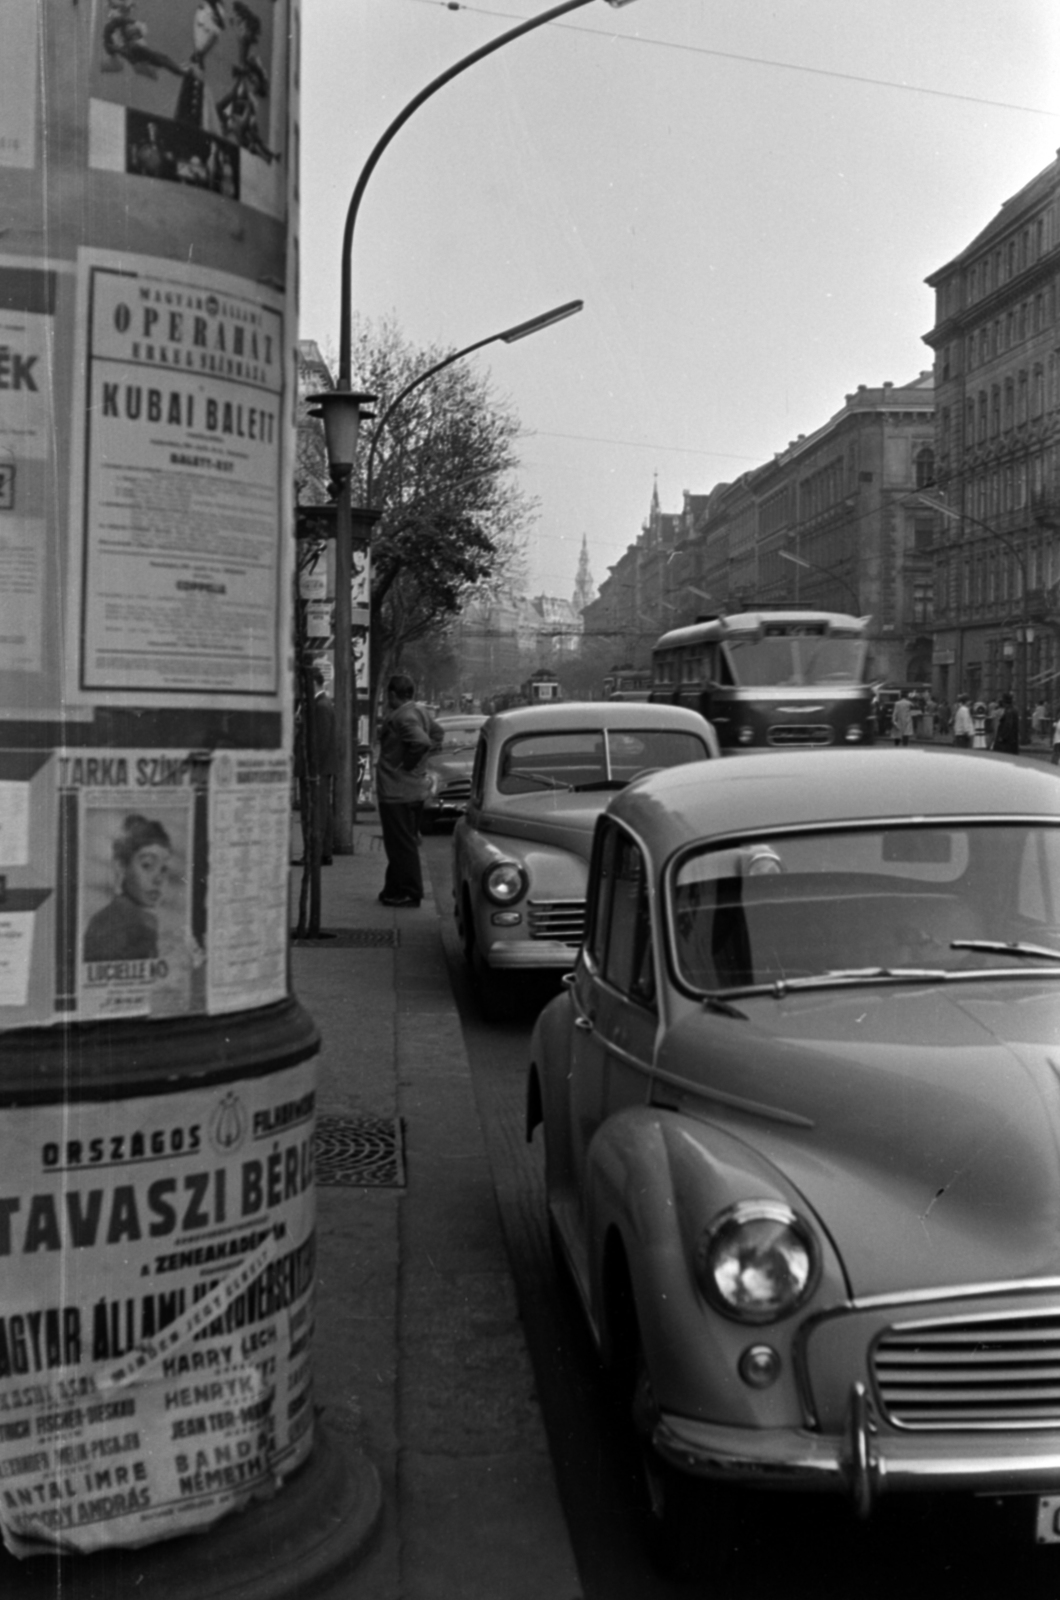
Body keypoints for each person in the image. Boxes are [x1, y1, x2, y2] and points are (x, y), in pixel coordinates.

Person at [375, 674, 443, 908]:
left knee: (401, 844)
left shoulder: (402, 717)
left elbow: (422, 742)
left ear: (393, 695)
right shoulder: (420, 711)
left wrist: (407, 764)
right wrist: (420, 764)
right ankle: (393, 888)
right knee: (401, 841)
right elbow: (436, 734)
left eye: (387, 695)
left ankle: (410, 892)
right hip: (413, 789)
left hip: (398, 790)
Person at [83, 814, 172, 961]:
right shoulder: (115, 925)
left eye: (163, 869)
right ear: (122, 867)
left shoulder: (143, 920)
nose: (158, 879)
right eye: (147, 865)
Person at [294, 666, 336, 864]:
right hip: (318, 769)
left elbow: (319, 741)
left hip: (314, 770)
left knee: (313, 812)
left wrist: (312, 769)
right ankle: (322, 852)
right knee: (321, 811)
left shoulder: (320, 706)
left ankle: (314, 854)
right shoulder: (318, 704)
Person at [991, 690, 1021, 755]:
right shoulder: (1013, 709)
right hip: (1012, 740)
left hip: (1007, 742)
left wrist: (1002, 736)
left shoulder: (1009, 711)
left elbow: (1008, 725)